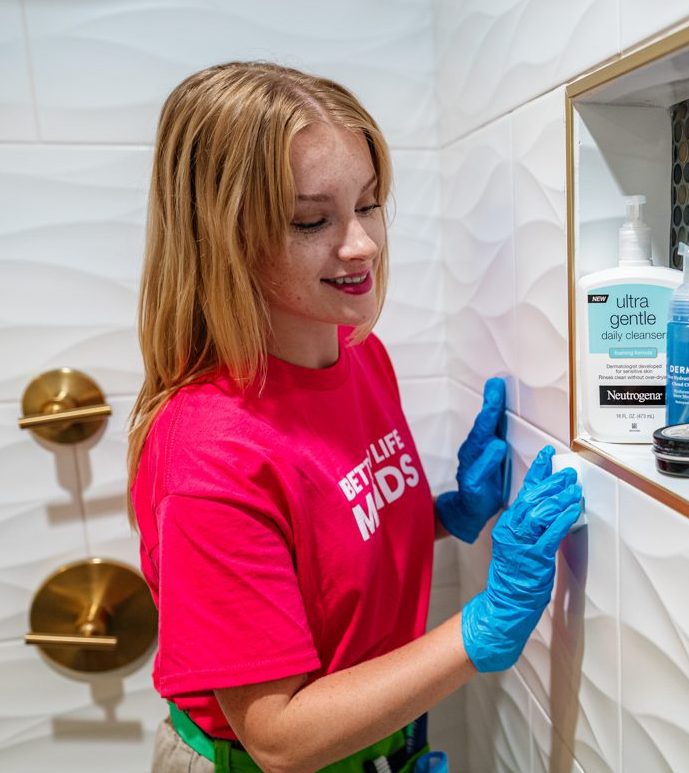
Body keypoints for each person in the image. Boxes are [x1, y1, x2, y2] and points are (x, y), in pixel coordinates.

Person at [127, 61, 583, 773]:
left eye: (368, 204)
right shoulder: (209, 456)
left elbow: (319, 541)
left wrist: (443, 513)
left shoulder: (356, 355)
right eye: (313, 219)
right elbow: (278, 736)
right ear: (223, 238)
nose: (361, 243)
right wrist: (479, 627)